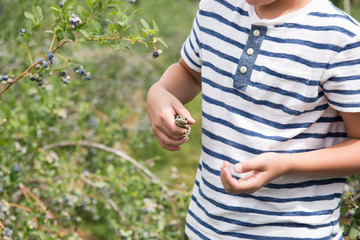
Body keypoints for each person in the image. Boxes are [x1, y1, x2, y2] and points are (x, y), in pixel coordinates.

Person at [146, 0, 360, 239]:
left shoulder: (342, 38)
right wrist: (159, 92)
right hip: (205, 228)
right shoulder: (216, 7)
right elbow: (190, 72)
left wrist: (286, 165)